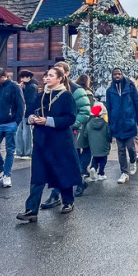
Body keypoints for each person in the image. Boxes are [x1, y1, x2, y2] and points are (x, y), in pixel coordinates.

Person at [16, 67, 81, 222]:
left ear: (59, 79)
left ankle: (68, 201)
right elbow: (31, 111)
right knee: (37, 175)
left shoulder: (66, 96)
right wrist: (32, 118)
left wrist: (49, 121)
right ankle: (31, 210)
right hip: (41, 141)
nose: (47, 78)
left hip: (60, 141)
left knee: (61, 171)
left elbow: (70, 118)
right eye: (46, 75)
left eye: (51, 75)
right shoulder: (41, 95)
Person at [41, 62, 92, 208]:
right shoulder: (49, 90)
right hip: (53, 131)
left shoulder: (76, 90)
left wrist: (71, 124)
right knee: (58, 162)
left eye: (59, 71)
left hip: (69, 131)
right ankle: (76, 183)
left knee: (65, 162)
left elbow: (84, 111)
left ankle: (57, 195)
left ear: (66, 73)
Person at [0, 68, 25, 189]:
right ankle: (1, 168)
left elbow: (21, 104)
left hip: (10, 122)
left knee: (10, 150)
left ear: (3, 77)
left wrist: (17, 121)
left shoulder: (14, 87)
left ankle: (7, 174)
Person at [105, 67, 138, 184]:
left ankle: (132, 160)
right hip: (117, 124)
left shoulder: (130, 87)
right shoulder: (110, 91)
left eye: (119, 74)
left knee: (131, 147)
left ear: (122, 75)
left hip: (129, 123)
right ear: (112, 76)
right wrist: (109, 124)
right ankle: (124, 172)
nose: (117, 76)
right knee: (121, 150)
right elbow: (109, 108)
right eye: (115, 74)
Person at [16, 70, 39, 158]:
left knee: (27, 133)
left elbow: (30, 100)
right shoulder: (26, 86)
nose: (22, 79)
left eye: (23, 77)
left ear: (28, 77)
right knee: (20, 132)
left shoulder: (32, 87)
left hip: (28, 112)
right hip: (23, 112)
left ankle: (27, 152)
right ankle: (20, 151)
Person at [86, 104, 111, 181]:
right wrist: (109, 141)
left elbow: (85, 134)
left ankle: (93, 168)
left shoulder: (89, 124)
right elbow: (108, 134)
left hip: (93, 145)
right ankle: (101, 174)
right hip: (104, 145)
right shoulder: (105, 124)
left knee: (95, 158)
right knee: (103, 159)